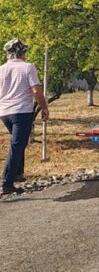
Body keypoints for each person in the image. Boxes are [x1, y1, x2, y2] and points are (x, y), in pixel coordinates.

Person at [0, 38, 49, 196]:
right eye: (25, 51)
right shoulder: (28, 67)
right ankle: (7, 182)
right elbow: (36, 90)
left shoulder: (1, 69)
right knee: (17, 145)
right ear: (20, 52)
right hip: (21, 112)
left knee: (18, 143)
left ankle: (18, 173)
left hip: (5, 112)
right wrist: (44, 107)